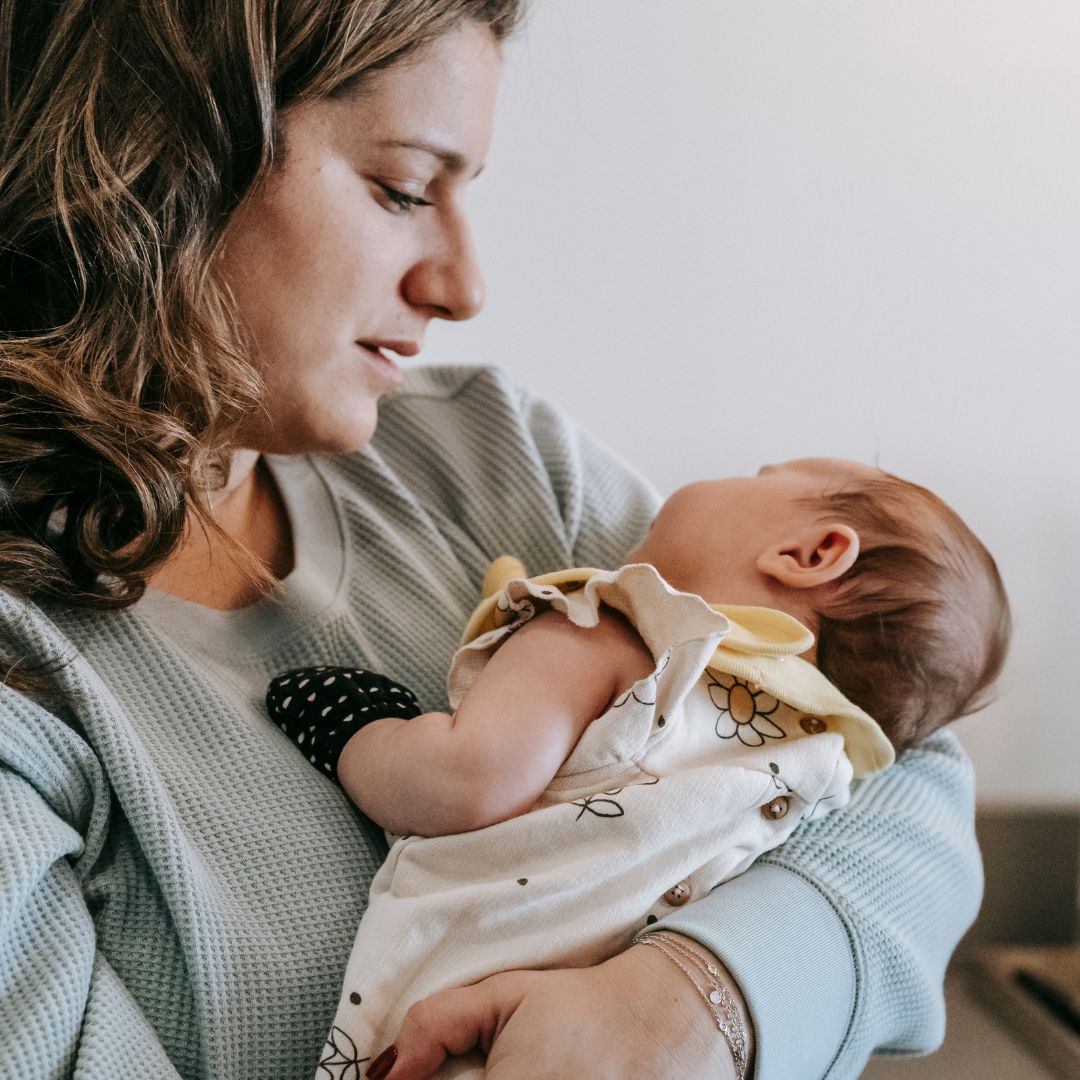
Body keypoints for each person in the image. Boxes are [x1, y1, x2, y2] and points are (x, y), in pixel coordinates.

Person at [0, 3, 984, 1079]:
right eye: (404, 189)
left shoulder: (488, 451)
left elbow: (894, 760)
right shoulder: (29, 678)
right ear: (146, 160)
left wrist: (698, 1004)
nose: (462, 288)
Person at [266, 457, 1009, 1077]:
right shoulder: (824, 756)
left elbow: (466, 779)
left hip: (453, 1028)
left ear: (811, 553)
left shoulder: (623, 628)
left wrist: (358, 724)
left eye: (761, 473)